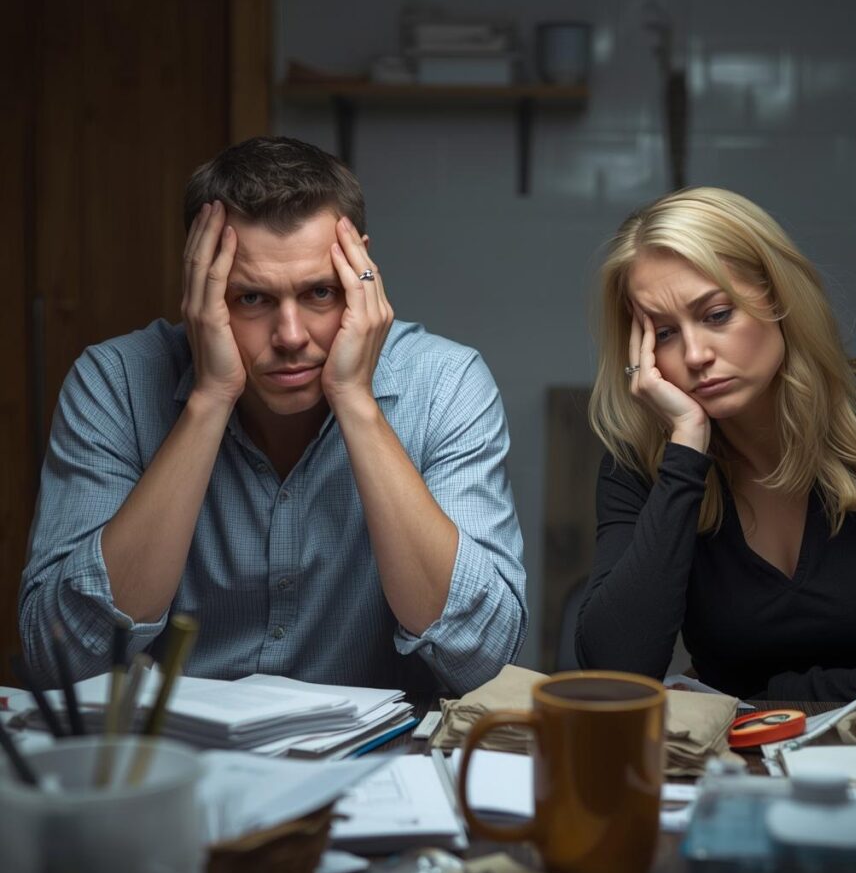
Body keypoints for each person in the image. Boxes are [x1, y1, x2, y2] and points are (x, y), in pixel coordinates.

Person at [20, 136, 527, 695]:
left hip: (382, 750)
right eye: (252, 298)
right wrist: (210, 399)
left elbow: (482, 659)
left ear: (362, 276)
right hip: (172, 748)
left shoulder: (445, 383)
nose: (291, 337)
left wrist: (356, 401)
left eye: (320, 293)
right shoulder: (114, 382)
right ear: (201, 284)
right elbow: (60, 659)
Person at [575, 187, 856, 704]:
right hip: (744, 755)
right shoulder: (647, 461)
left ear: (779, 298)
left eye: (717, 314)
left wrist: (791, 698)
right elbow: (615, 671)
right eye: (665, 333)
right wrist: (686, 452)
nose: (695, 355)